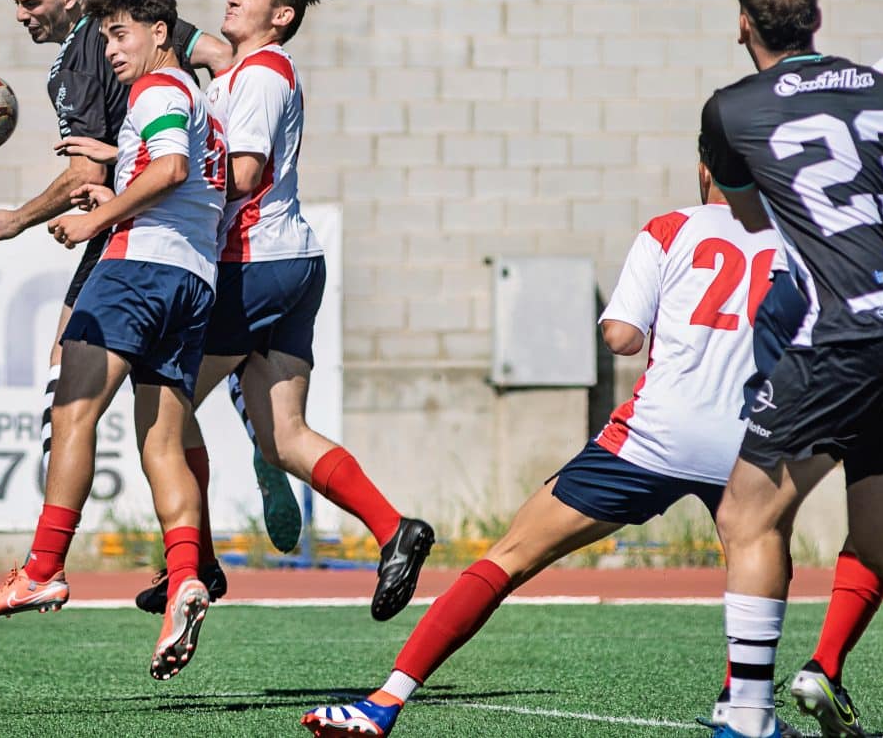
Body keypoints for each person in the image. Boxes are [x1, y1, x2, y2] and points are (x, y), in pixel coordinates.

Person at [302, 144, 780, 737]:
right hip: (747, 440)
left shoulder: (670, 228)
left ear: (704, 168)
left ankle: (385, 701)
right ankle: (749, 715)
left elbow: (623, 338)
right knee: (757, 569)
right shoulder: (796, 241)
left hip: (653, 438)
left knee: (509, 556)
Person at [61, 0, 435, 622]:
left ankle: (195, 562)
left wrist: (140, 193)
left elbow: (241, 172)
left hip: (251, 260)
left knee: (160, 421)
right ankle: (394, 530)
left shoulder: (261, 73)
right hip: (288, 263)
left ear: (281, 16)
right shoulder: (231, 76)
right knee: (284, 435)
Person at [0, 0, 298, 552]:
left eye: (31, 3)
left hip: (139, 230)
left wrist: (19, 219)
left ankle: (50, 552)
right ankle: (203, 543)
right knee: (176, 403)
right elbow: (223, 54)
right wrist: (209, 120)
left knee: (72, 388)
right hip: (203, 229)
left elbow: (84, 178)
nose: (22, 16)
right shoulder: (156, 32)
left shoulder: (75, 68)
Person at [0, 0, 228, 683]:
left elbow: (170, 169)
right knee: (162, 441)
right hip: (191, 281)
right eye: (106, 37)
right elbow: (187, 179)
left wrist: (96, 219)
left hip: (135, 270)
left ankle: (43, 569)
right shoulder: (198, 102)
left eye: (120, 34)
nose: (110, 49)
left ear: (161, 32)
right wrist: (114, 177)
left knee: (73, 410)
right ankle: (184, 578)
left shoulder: (158, 91)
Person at [698, 0, 883, 738]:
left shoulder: (734, 105)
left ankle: (747, 713)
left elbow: (750, 215)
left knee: (746, 515)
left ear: (744, 24)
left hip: (845, 331)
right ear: (818, 18)